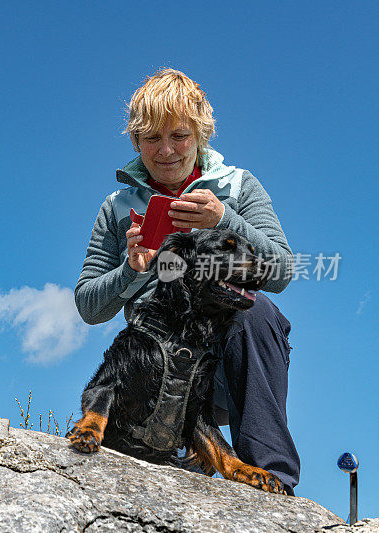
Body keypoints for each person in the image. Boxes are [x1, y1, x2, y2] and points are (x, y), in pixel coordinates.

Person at [75, 68, 300, 494]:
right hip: (155, 372)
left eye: (178, 135)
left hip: (219, 366)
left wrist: (224, 220)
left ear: (200, 134)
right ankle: (183, 458)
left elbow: (283, 271)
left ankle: (274, 483)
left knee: (258, 311)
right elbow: (88, 306)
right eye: (151, 138)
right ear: (135, 141)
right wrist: (130, 271)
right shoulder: (116, 207)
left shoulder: (239, 187)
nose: (165, 151)